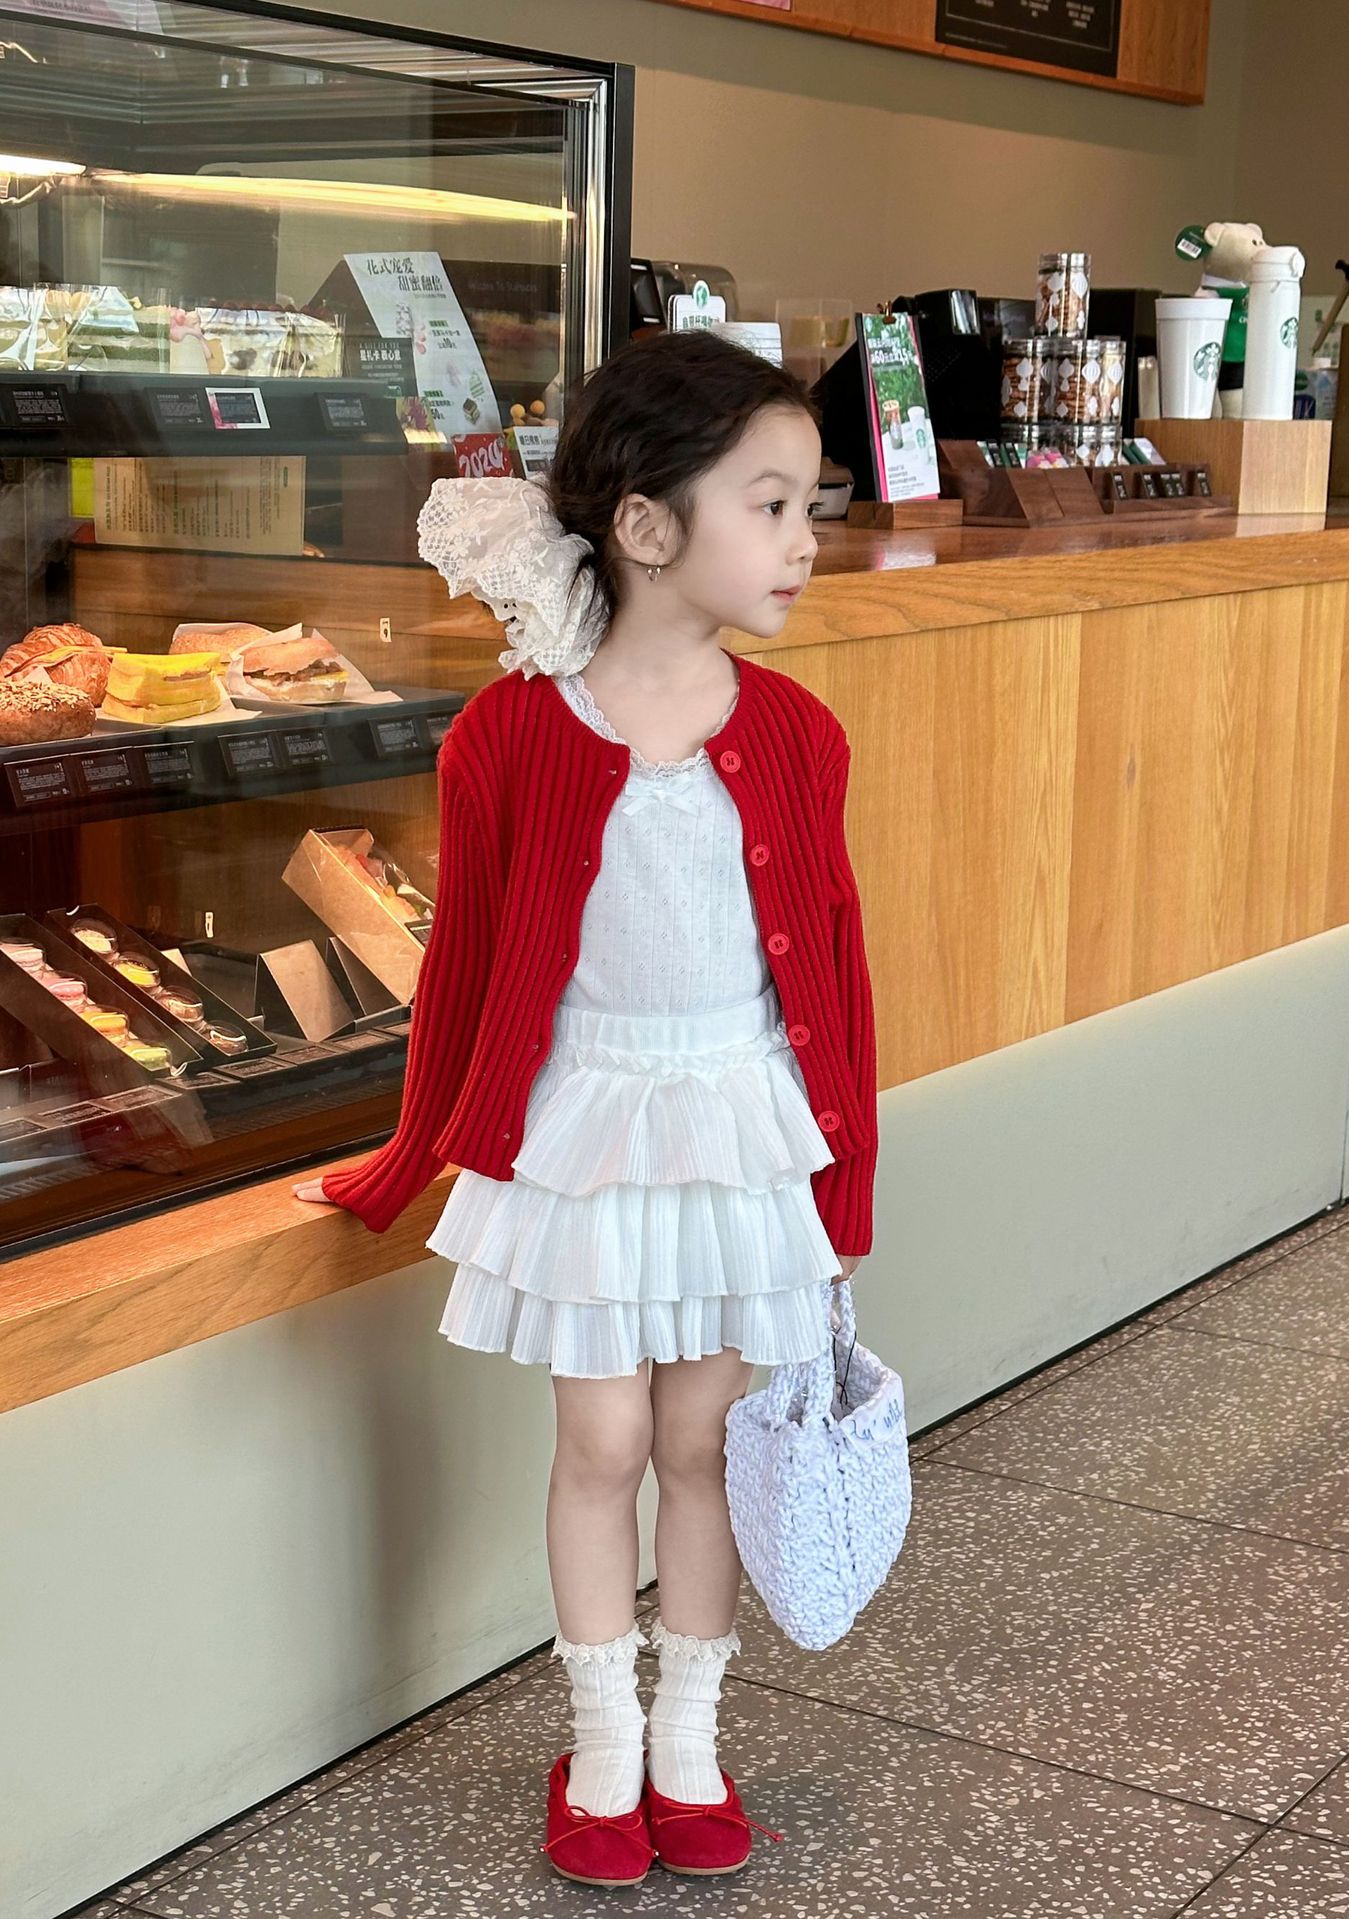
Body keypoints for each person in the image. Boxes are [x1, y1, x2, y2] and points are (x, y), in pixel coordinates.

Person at [294, 327, 879, 1884]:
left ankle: (689, 1743)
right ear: (644, 525)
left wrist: (844, 1193)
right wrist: (404, 1159)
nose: (804, 542)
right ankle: (602, 1746)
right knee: (604, 1438)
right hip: (588, 1133)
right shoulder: (508, 736)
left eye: (810, 507)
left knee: (701, 1440)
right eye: (771, 505)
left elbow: (835, 976)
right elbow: (467, 968)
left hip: (738, 1127)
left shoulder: (800, 736)